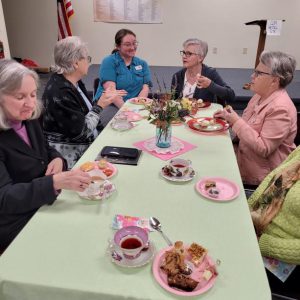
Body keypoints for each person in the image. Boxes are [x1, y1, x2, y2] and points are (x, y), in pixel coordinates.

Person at [0, 59, 92, 253]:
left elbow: (45, 149)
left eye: (33, 94)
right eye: (20, 96)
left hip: (44, 203)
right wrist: (53, 183)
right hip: (17, 222)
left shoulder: (28, 119)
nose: (30, 103)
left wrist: (57, 158)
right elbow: (4, 198)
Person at [214, 51, 297, 185]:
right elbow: (247, 125)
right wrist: (228, 119)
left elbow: (264, 148)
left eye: (259, 73)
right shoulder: (259, 95)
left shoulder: (281, 108)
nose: (252, 76)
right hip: (242, 161)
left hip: (262, 180)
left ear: (275, 80)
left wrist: (235, 120)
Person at [42, 36, 126, 169]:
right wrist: (100, 105)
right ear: (75, 63)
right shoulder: (61, 92)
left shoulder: (74, 81)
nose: (89, 63)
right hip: (71, 160)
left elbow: (85, 114)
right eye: (87, 58)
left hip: (87, 145)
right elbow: (82, 132)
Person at [248, 146, 300, 298]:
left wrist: (261, 244)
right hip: (256, 227)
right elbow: (273, 180)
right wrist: (247, 210)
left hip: (281, 260)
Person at [94, 29, 152, 124]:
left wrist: (138, 108)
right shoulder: (109, 61)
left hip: (135, 106)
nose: (133, 47)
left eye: (134, 43)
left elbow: (145, 88)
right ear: (118, 46)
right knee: (120, 124)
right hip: (111, 105)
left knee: (149, 122)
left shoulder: (142, 63)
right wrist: (127, 111)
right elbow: (111, 93)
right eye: (127, 44)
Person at [171, 38, 235, 103]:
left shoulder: (210, 73)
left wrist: (210, 85)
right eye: (184, 53)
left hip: (205, 113)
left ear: (200, 58)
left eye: (189, 53)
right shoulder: (177, 76)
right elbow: (173, 103)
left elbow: (231, 96)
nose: (184, 56)